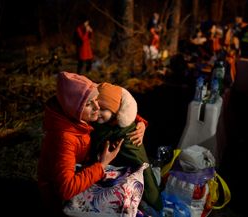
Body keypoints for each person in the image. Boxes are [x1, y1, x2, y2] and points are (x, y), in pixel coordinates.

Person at [37, 72, 145, 216]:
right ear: (74, 108)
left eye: (96, 100)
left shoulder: (78, 116)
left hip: (83, 176)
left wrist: (140, 123)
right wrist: (101, 165)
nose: (97, 107)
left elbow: (116, 104)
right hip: (63, 204)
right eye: (89, 104)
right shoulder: (64, 139)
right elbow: (66, 190)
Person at [90, 82, 163, 211]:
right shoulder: (105, 124)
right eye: (96, 107)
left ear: (115, 111)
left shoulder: (128, 134)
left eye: (103, 109)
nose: (97, 112)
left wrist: (154, 201)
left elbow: (140, 165)